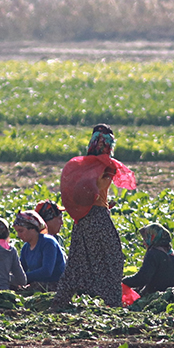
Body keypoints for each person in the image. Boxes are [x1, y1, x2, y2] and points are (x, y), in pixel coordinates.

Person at [51, 124, 125, 308]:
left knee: (77, 260)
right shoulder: (105, 166)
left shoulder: (81, 167)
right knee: (112, 258)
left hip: (83, 219)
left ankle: (61, 300)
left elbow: (82, 194)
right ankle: (113, 301)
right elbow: (96, 191)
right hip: (98, 218)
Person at [123, 223, 174, 296]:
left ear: (152, 237)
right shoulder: (172, 253)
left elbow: (142, 279)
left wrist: (123, 281)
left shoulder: (154, 253)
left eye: (146, 239)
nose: (144, 243)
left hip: (159, 297)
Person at [14, 210, 65, 291]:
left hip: (56, 285)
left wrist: (23, 277)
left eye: (21, 231)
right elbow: (21, 269)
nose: (18, 235)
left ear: (32, 229)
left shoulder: (48, 243)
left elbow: (46, 271)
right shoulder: (26, 248)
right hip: (39, 284)